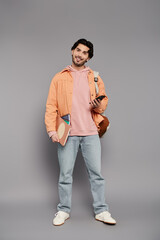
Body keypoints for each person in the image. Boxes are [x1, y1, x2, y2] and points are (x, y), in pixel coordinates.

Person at [45, 38, 116, 226]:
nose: (80, 54)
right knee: (65, 174)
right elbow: (51, 105)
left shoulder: (95, 77)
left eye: (85, 52)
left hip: (91, 132)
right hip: (66, 132)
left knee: (96, 174)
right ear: (71, 51)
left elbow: (103, 104)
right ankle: (63, 210)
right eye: (78, 50)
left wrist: (98, 105)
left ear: (88, 57)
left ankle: (102, 210)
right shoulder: (59, 77)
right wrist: (52, 130)